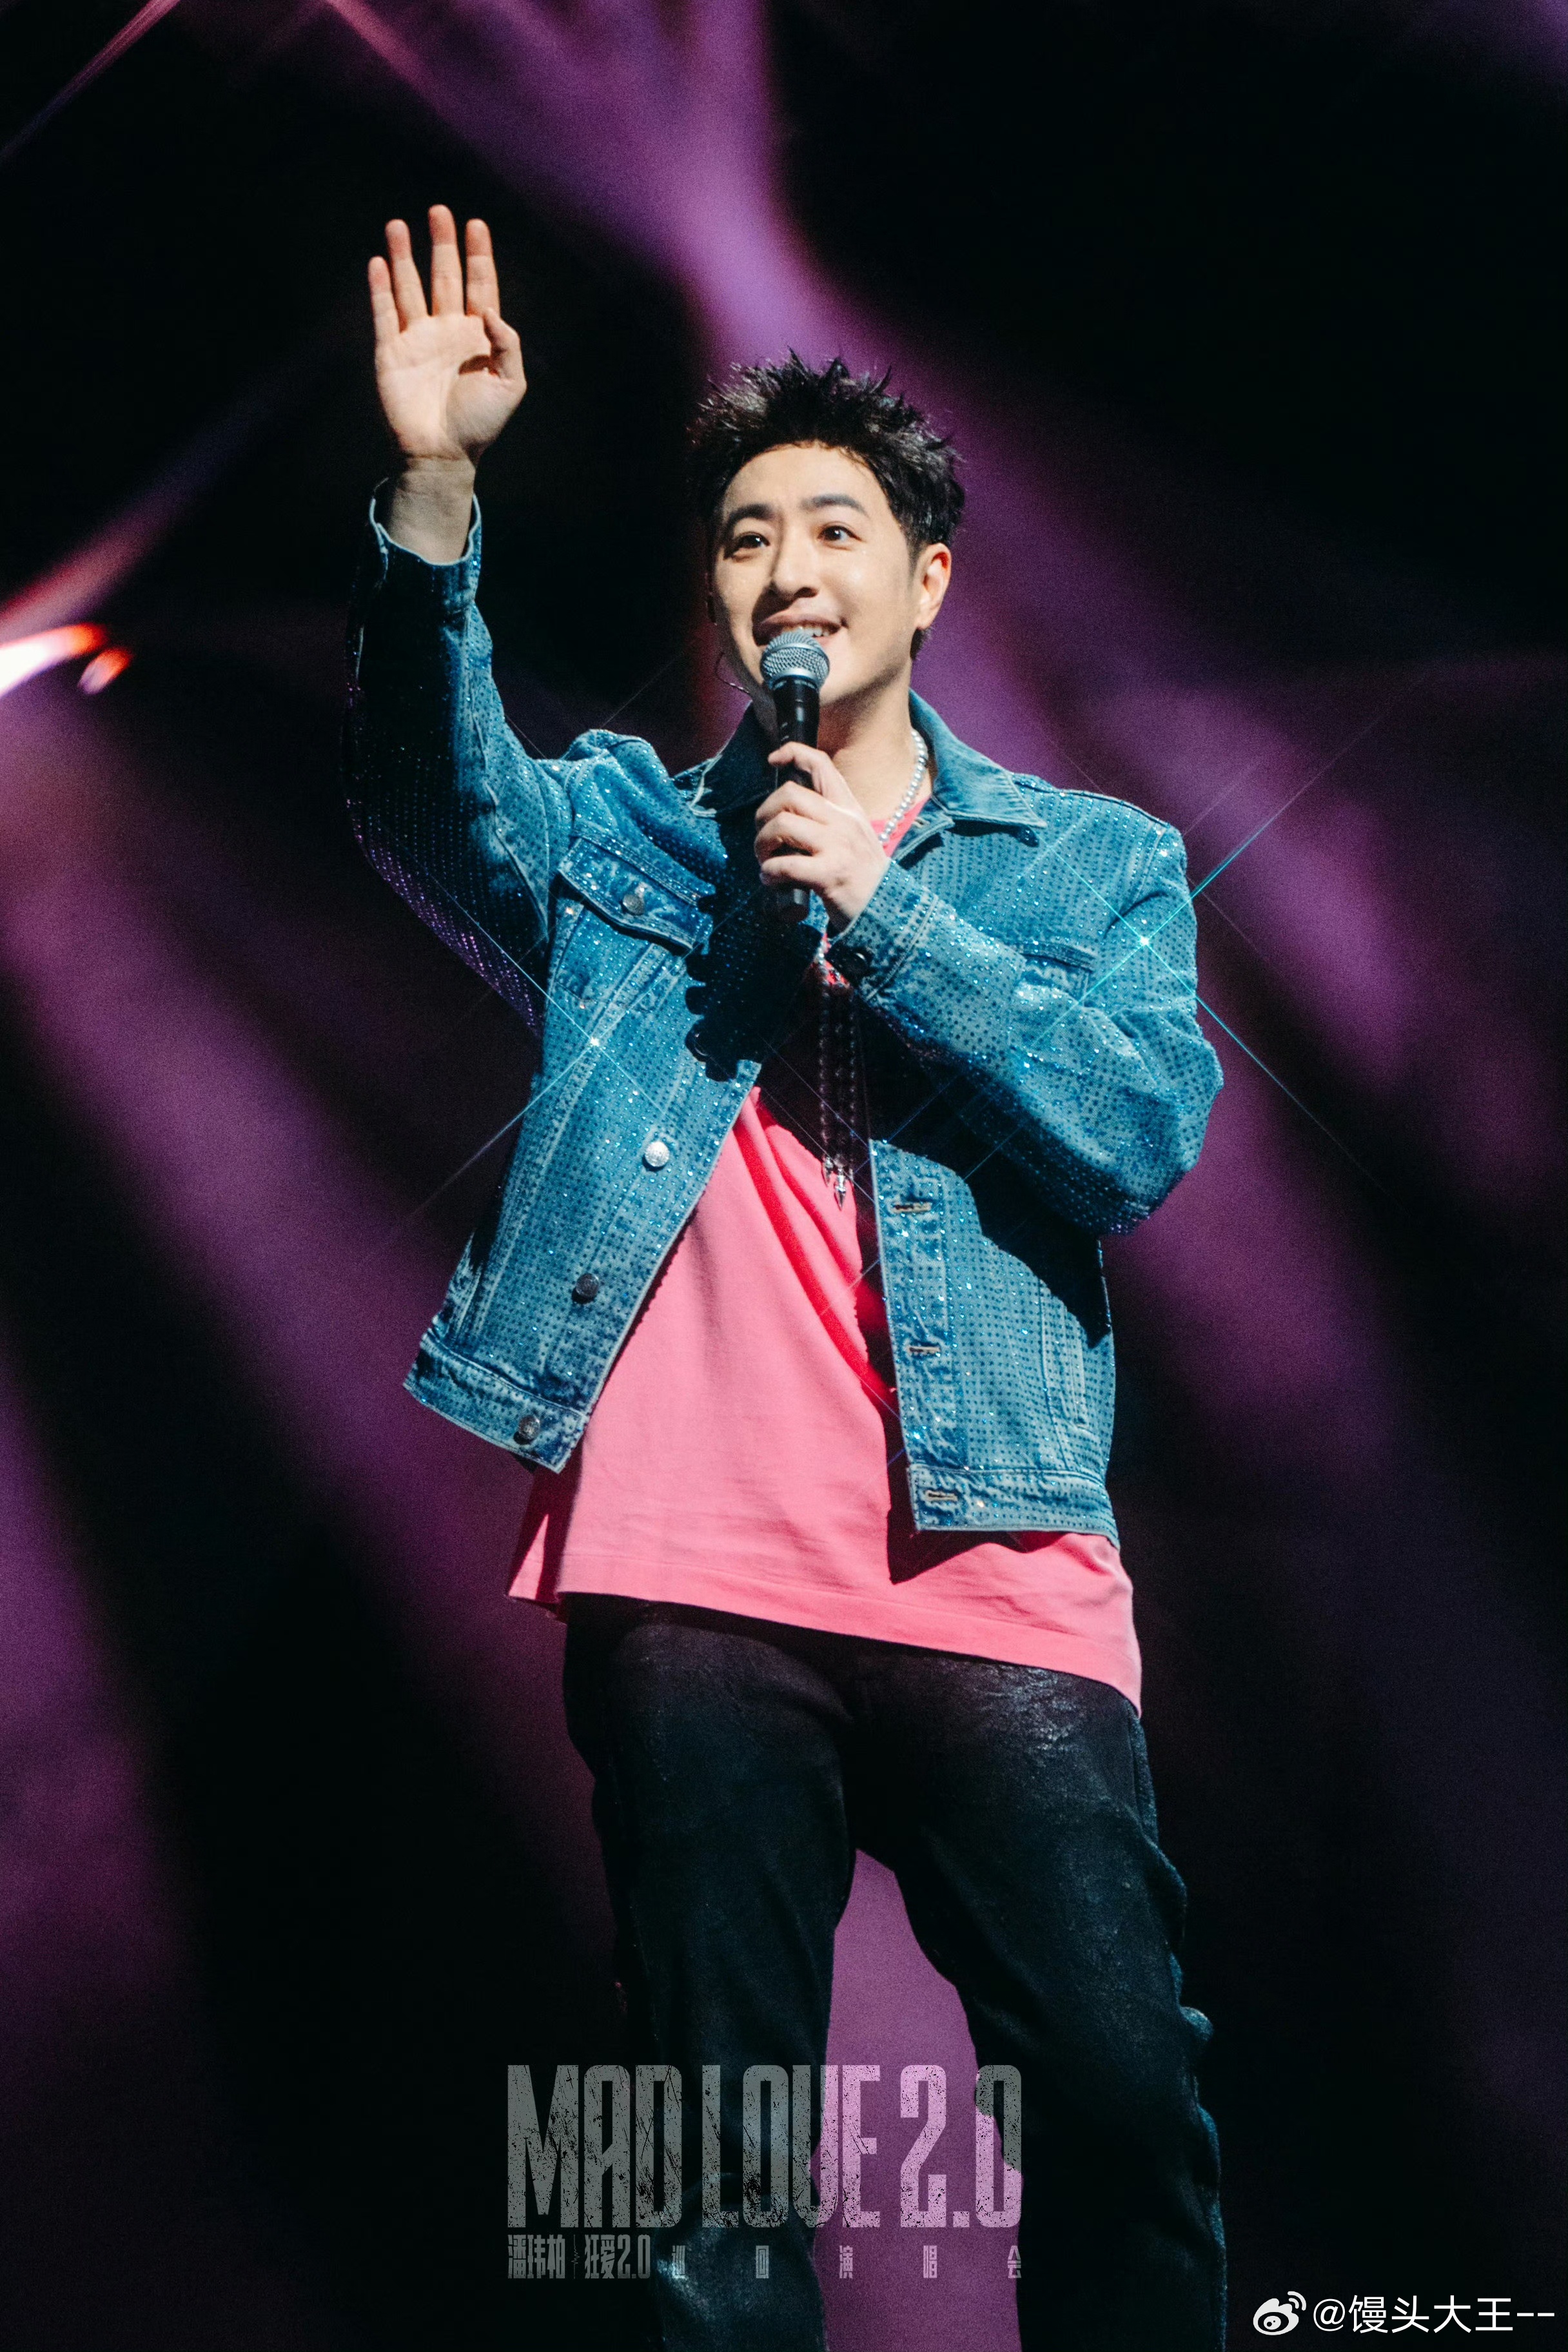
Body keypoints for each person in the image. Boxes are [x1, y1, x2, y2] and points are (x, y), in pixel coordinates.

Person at [347, 203, 1227, 2352]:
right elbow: (426, 811)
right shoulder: (633, 836)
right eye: (747, 536)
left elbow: (1140, 1133)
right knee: (703, 2152)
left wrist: (894, 918)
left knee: (1121, 2099)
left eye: (835, 528)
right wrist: (436, 489)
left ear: (928, 581)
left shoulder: (1092, 864)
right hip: (690, 1567)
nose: (787, 569)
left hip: (994, 1554)